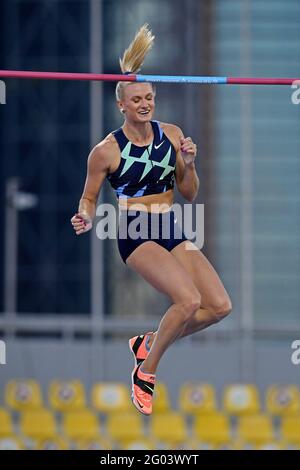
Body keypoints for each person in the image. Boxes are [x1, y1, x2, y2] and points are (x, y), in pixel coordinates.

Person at [71, 24, 232, 415]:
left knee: (218, 306)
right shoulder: (105, 151)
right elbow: (89, 197)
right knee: (188, 300)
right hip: (134, 230)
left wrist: (190, 165)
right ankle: (146, 371)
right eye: (136, 99)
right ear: (121, 105)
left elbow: (190, 192)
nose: (144, 104)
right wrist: (85, 215)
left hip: (171, 225)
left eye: (149, 97)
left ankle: (149, 342)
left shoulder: (173, 135)